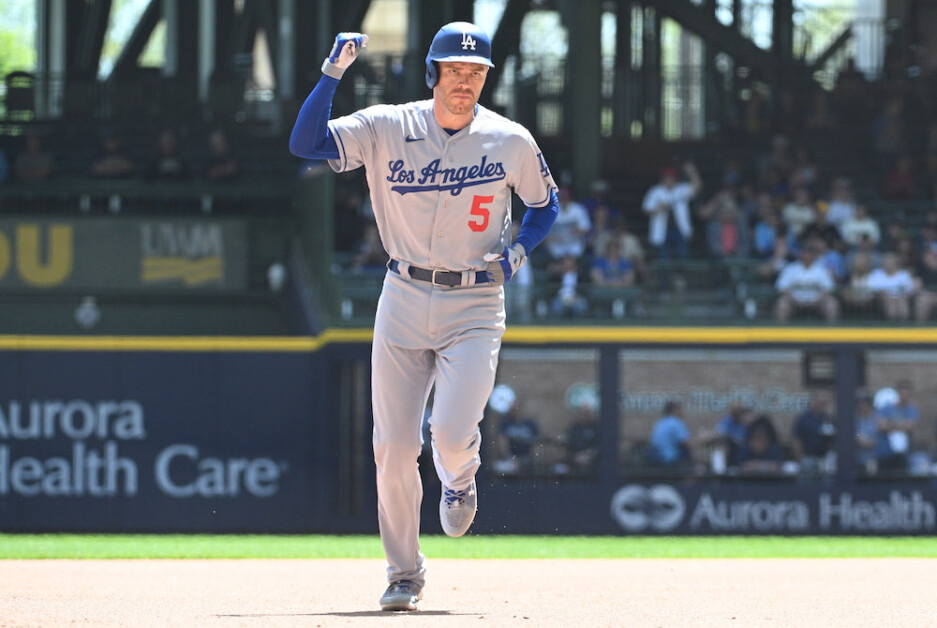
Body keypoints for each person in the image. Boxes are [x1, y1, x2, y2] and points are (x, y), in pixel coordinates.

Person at [289, 25, 557, 612]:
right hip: (404, 294)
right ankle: (403, 572)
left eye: (477, 72)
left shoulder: (508, 139)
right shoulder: (387, 125)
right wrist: (332, 73)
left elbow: (545, 203)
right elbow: (306, 144)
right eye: (455, 70)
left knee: (453, 433)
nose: (466, 81)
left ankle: (460, 478)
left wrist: (518, 250)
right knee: (392, 446)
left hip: (477, 300)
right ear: (433, 72)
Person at [641, 162, 702, 260]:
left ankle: (682, 275)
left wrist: (692, 172)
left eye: (671, 177)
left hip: (680, 230)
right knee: (664, 260)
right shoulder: (655, 191)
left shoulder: (681, 189)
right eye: (667, 177)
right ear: (662, 178)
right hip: (663, 231)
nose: (669, 179)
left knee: (684, 257)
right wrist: (658, 209)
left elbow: (697, 188)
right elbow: (645, 210)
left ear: (675, 178)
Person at [774, 242, 840, 322]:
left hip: (817, 303)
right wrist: (794, 300)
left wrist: (817, 301)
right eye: (805, 252)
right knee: (782, 304)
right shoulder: (790, 268)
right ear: (800, 253)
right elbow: (782, 288)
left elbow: (828, 288)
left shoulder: (821, 269)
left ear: (814, 255)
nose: (807, 255)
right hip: (794, 303)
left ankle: (831, 332)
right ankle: (782, 332)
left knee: (831, 304)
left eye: (809, 252)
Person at [875, 380, 919, 474]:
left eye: (907, 391)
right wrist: (902, 425)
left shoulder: (911, 410)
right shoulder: (886, 408)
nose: (905, 394)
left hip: (903, 455)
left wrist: (890, 424)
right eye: (903, 390)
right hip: (885, 454)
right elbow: (881, 426)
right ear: (898, 392)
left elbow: (911, 427)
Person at [791, 391, 835, 479]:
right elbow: (797, 440)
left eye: (824, 403)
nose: (822, 406)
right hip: (808, 458)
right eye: (820, 403)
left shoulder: (829, 419)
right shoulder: (804, 419)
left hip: (826, 460)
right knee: (807, 488)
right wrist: (799, 460)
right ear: (813, 402)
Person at [866, 252, 915, 321]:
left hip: (901, 298)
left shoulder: (903, 274)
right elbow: (870, 288)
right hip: (881, 300)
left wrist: (900, 295)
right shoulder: (876, 274)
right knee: (889, 300)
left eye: (890, 262)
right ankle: (892, 324)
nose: (888, 264)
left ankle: (904, 323)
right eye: (886, 262)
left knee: (901, 300)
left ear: (896, 263)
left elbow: (909, 289)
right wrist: (883, 293)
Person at [648, 400, 693, 470]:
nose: (682, 412)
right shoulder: (676, 422)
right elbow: (688, 443)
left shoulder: (660, 422)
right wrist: (706, 438)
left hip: (656, 460)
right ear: (674, 410)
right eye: (680, 409)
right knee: (700, 470)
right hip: (670, 461)